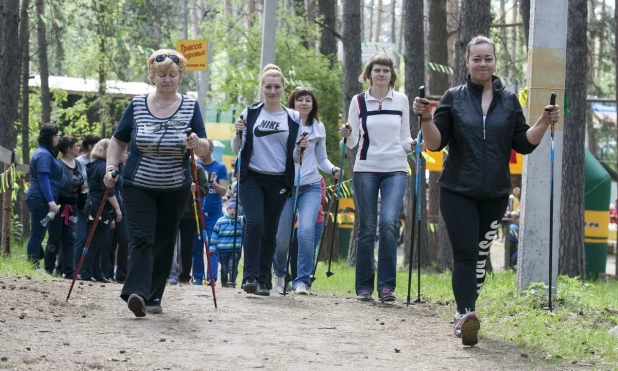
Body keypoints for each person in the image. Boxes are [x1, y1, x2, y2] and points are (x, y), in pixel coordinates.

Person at [412, 35, 560, 346]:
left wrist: (544, 122)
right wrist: (426, 117)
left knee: (479, 256)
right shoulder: (453, 98)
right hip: (457, 189)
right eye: (476, 58)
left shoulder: (508, 101)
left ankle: (468, 312)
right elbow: (436, 143)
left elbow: (522, 144)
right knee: (465, 254)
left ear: (495, 62)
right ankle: (465, 315)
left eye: (488, 58)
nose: (482, 63)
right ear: (466, 62)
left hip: (495, 193)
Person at [104, 49, 210, 317]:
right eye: (161, 75)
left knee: (164, 241)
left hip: (175, 187)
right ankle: (136, 293)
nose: (167, 80)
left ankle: (153, 296)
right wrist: (110, 167)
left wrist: (197, 144)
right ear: (152, 76)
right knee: (140, 238)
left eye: (172, 75)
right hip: (138, 184)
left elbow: (206, 149)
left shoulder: (190, 106)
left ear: (180, 77)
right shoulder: (138, 105)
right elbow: (118, 140)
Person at [339, 53, 418, 303]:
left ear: (391, 74)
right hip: (366, 168)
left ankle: (386, 287)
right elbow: (352, 143)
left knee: (388, 224)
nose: (381, 74)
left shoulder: (402, 100)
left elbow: (405, 137)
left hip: (396, 168)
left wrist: (414, 144)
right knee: (367, 227)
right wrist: (346, 133)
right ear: (369, 74)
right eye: (376, 70)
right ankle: (364, 286)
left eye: (385, 70)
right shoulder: (359, 101)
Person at [232, 64, 306, 296]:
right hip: (252, 177)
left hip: (278, 181)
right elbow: (237, 149)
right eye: (268, 87)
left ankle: (264, 279)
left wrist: (301, 149)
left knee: (270, 231)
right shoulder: (250, 113)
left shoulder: (293, 117)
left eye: (276, 87)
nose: (272, 91)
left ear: (284, 89)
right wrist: (237, 133)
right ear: (261, 89)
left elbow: (295, 156)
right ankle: (250, 277)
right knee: (255, 223)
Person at [273, 88, 339, 295]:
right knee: (283, 238)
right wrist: (297, 150)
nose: (303, 103)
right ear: (292, 103)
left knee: (306, 232)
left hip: (310, 185)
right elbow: (285, 157)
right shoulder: (284, 124)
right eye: (299, 100)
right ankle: (280, 273)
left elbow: (322, 159)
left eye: (307, 100)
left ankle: (303, 280)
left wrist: (333, 169)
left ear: (313, 104)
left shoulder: (318, 127)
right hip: (287, 185)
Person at [80, 139, 122, 283]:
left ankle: (97, 272)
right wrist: (117, 208)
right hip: (98, 209)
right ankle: (86, 271)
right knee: (95, 242)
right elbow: (108, 191)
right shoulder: (101, 168)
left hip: (99, 208)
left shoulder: (97, 166)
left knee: (101, 242)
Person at [44, 136, 85, 278]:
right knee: (55, 237)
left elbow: (80, 181)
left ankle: (68, 270)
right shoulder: (57, 165)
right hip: (58, 206)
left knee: (70, 238)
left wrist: (81, 187)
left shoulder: (78, 164)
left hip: (72, 206)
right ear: (68, 149)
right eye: (76, 145)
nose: (79, 147)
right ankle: (48, 269)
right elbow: (55, 185)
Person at [25, 124, 62, 267]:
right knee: (37, 234)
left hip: (40, 198)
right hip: (39, 199)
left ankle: (33, 263)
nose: (58, 138)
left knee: (39, 233)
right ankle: (33, 264)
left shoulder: (46, 152)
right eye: (57, 136)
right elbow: (43, 178)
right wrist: (51, 200)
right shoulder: (44, 155)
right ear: (52, 137)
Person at [193, 139, 228, 285]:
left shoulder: (220, 167)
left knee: (212, 246)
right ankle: (197, 277)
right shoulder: (196, 165)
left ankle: (211, 278)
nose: (200, 153)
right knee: (196, 245)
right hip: (198, 211)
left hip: (214, 213)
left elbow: (223, 191)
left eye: (204, 149)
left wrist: (212, 182)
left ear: (211, 150)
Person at [168, 164, 208, 286]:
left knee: (186, 247)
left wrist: (196, 188)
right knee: (167, 245)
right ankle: (165, 275)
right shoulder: (171, 165)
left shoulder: (197, 168)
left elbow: (204, 190)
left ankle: (184, 277)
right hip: (171, 211)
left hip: (190, 214)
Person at [74, 134, 101, 269]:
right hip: (81, 202)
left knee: (94, 237)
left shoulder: (99, 162)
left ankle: (88, 269)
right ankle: (75, 267)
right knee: (81, 237)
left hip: (94, 202)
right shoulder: (78, 161)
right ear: (91, 146)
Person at [210, 198, 243, 287]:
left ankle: (232, 282)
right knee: (224, 268)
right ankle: (224, 282)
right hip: (222, 250)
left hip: (235, 250)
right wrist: (213, 246)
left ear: (239, 210)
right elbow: (215, 234)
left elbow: (249, 217)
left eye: (235, 209)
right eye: (230, 208)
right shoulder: (220, 221)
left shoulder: (240, 221)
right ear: (227, 209)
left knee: (232, 267)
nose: (233, 211)